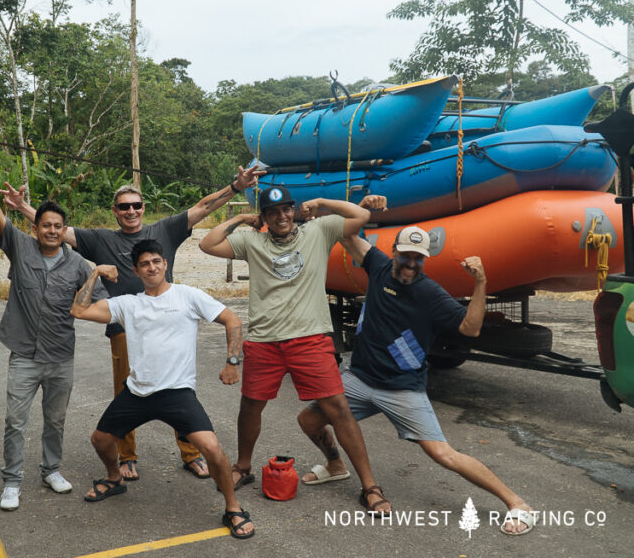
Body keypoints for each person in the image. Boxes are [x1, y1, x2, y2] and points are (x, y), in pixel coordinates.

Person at [1, 166, 261, 481]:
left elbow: (203, 207)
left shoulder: (165, 230)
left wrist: (236, 185)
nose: (131, 211)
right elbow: (54, 229)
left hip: (169, 328)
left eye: (136, 205)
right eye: (124, 206)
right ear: (115, 211)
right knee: (126, 393)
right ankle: (127, 456)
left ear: (144, 208)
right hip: (124, 330)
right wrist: (22, 208)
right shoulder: (99, 239)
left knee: (178, 393)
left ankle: (191, 453)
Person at [297, 224, 536, 535]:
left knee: (442, 453)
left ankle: (517, 503)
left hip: (402, 388)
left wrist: (481, 282)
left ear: (424, 260)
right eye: (406, 256)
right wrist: (362, 207)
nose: (411, 264)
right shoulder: (379, 266)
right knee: (308, 421)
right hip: (359, 378)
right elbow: (346, 233)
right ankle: (334, 465)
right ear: (394, 252)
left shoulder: (429, 292)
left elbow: (470, 328)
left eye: (418, 259)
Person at [198, 187, 391, 514]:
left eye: (286, 209)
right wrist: (243, 219)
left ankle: (370, 486)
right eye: (273, 212)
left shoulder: (319, 230)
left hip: (310, 338)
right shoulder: (253, 242)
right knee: (250, 406)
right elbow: (208, 243)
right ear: (265, 217)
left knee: (338, 409)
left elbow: (361, 216)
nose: (282, 216)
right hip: (264, 341)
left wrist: (324, 203)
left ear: (294, 210)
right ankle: (243, 467)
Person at [70, 239, 255, 539]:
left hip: (177, 393)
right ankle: (115, 478)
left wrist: (233, 361)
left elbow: (231, 319)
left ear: (165, 263)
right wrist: (95, 273)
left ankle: (233, 507)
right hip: (137, 392)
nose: (152, 267)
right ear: (136, 270)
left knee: (212, 450)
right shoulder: (129, 304)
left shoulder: (188, 296)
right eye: (145, 264)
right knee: (100, 440)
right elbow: (79, 311)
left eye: (156, 261)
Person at [0, 156, 106, 512]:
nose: (52, 231)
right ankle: (12, 480)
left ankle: (51, 469)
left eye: (58, 226)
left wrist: (97, 283)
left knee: (55, 420)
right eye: (46, 225)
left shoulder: (78, 265)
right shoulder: (20, 247)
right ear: (36, 228)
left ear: (64, 229)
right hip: (25, 355)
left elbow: (97, 305)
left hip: (61, 356)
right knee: (16, 419)